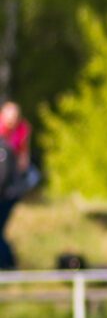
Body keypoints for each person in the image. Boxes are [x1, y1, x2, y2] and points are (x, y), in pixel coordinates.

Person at [0, 101, 36, 269]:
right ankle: (8, 264)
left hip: (8, 190)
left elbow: (22, 162)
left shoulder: (21, 132)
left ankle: (8, 265)